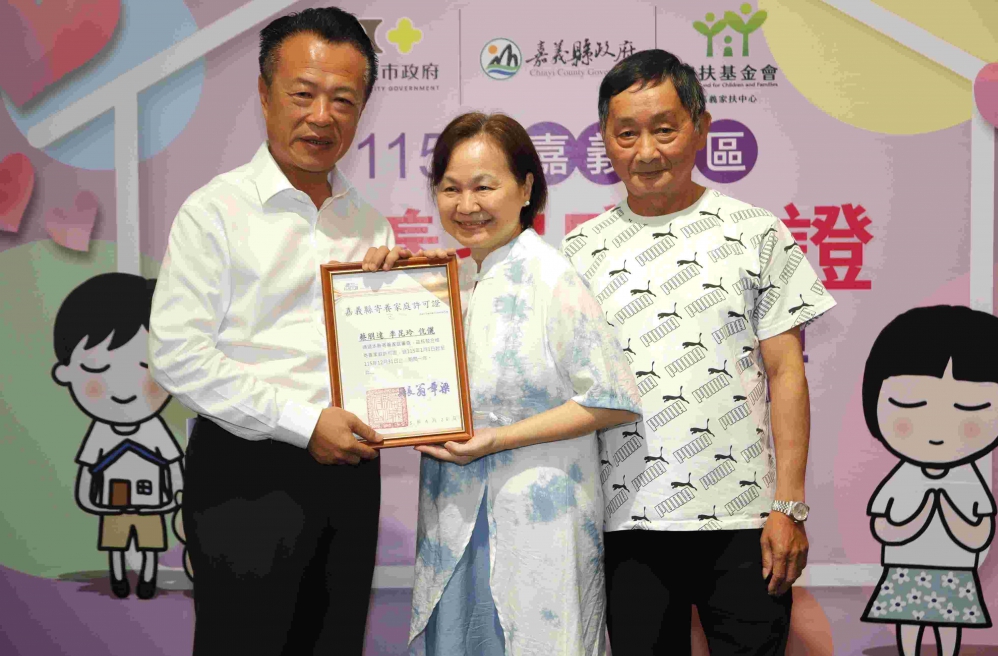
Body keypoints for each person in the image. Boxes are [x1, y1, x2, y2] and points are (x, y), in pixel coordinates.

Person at [561, 49, 837, 655]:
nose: (646, 151)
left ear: (701, 127)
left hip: (746, 522)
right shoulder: (578, 252)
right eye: (626, 133)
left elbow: (786, 373)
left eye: (664, 129)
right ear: (604, 138)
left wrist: (789, 507)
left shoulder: (756, 232)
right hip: (625, 523)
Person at [148, 8, 394, 654]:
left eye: (343, 99)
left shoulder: (371, 225)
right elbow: (176, 355)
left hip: (349, 474)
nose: (322, 117)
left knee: (334, 641)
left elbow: (385, 356)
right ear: (264, 94)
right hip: (245, 475)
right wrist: (303, 423)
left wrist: (405, 302)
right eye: (303, 94)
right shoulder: (215, 212)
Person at [399, 113, 642, 655]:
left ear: (526, 188)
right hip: (453, 522)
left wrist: (499, 439)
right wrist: (380, 288)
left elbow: (612, 399)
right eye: (450, 188)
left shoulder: (552, 276)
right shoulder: (449, 280)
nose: (467, 205)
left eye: (484, 186)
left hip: (538, 522)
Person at [861, 306, 996, 656]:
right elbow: (884, 527)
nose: (937, 431)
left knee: (950, 622)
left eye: (971, 410)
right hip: (905, 566)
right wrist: (919, 517)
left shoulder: (968, 478)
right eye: (909, 404)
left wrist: (948, 513)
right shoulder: (902, 477)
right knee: (907, 620)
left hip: (956, 568)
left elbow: (979, 531)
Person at [53, 273, 183, 600]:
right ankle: (119, 578)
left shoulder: (154, 430)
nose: (123, 388)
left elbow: (172, 464)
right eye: (97, 369)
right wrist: (88, 498)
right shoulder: (100, 433)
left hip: (152, 507)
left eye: (145, 367)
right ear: (65, 372)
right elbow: (89, 468)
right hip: (113, 508)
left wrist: (177, 495)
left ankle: (148, 578)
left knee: (150, 544)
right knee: (115, 544)